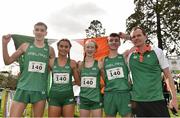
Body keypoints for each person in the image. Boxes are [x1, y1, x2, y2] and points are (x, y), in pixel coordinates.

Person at [120, 26, 178, 117]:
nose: (136, 38)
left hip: (157, 100)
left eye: (139, 35)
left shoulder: (157, 52)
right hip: (137, 102)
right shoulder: (129, 56)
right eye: (133, 37)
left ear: (145, 36)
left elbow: (167, 75)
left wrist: (174, 98)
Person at [2, 22, 55, 117]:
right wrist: (4, 44)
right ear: (33, 31)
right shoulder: (25, 46)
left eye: (42, 30)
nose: (39, 32)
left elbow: (54, 69)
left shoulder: (50, 50)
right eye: (37, 30)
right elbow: (7, 61)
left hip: (40, 90)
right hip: (23, 88)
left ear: (45, 33)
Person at [48, 38, 80, 117]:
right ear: (58, 47)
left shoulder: (72, 63)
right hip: (54, 97)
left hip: (68, 98)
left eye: (66, 47)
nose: (63, 48)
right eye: (61, 46)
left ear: (69, 49)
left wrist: (70, 83)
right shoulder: (51, 62)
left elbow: (78, 82)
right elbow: (42, 76)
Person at [102, 33, 131, 117]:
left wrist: (127, 37)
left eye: (116, 40)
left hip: (124, 93)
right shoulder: (103, 60)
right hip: (109, 94)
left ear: (119, 43)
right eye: (111, 40)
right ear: (107, 43)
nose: (113, 42)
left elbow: (139, 44)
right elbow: (104, 79)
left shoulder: (124, 56)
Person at [78, 39, 103, 117]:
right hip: (84, 100)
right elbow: (78, 81)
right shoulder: (80, 64)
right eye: (88, 47)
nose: (90, 49)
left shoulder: (99, 64)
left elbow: (106, 80)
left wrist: (100, 86)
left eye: (92, 47)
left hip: (96, 100)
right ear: (84, 49)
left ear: (95, 49)